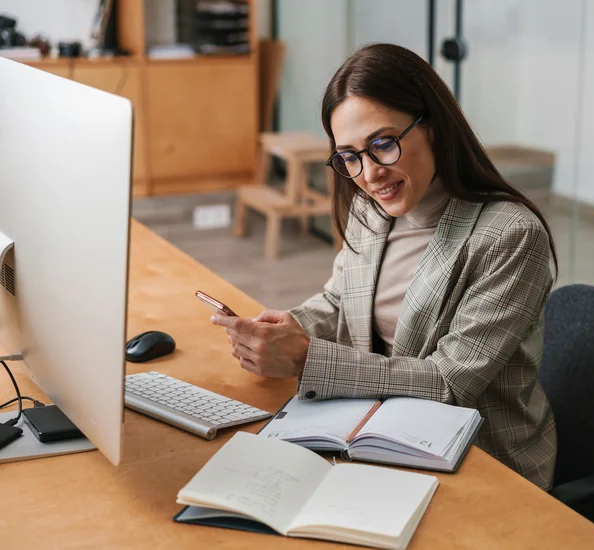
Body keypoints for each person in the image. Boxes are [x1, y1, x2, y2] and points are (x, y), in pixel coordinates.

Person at [212, 43, 560, 490]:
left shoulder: (510, 235)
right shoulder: (371, 209)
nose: (369, 173)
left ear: (432, 127)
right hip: (382, 432)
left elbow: (449, 384)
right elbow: (342, 299)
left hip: (485, 462)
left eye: (383, 144)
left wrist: (305, 356)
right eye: (350, 156)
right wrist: (289, 327)